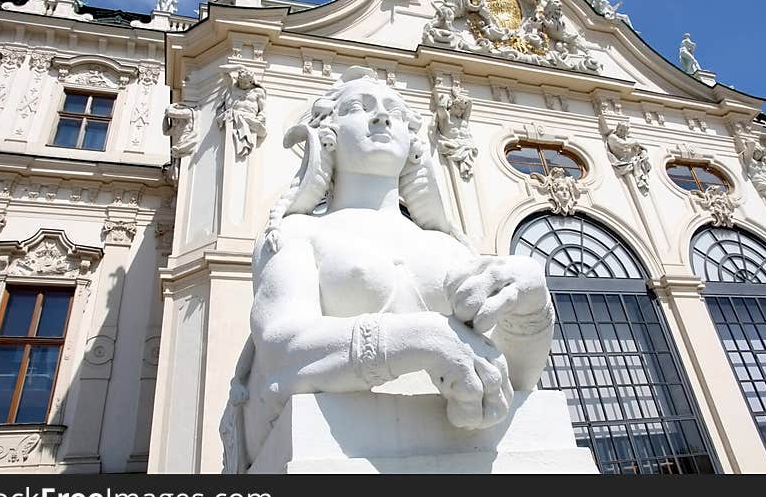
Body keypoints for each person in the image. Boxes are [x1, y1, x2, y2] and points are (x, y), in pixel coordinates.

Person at [220, 67, 555, 472]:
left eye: (393, 110)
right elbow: (281, 347)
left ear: (413, 143)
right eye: (359, 108)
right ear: (328, 135)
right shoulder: (296, 233)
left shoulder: (448, 247)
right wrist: (422, 340)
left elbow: (513, 381)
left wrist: (532, 309)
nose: (381, 117)